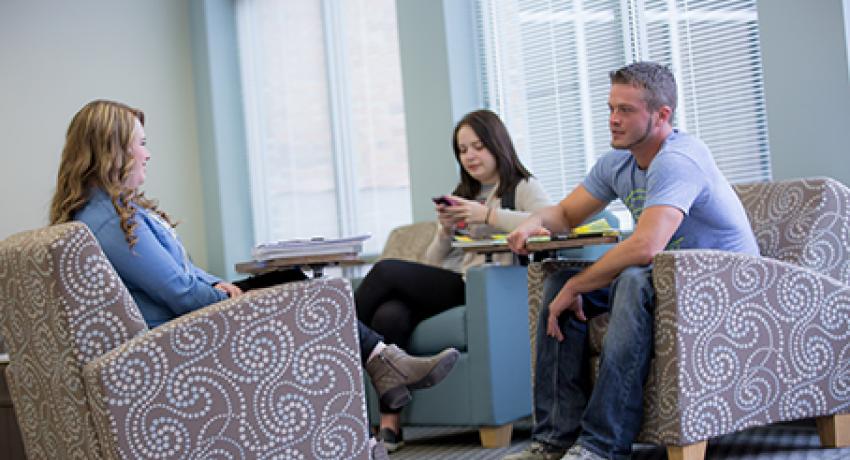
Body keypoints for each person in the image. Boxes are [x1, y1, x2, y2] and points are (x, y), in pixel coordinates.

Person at [48, 100, 460, 454]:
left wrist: (214, 285)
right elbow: (179, 292)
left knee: (294, 279)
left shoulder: (107, 212)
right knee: (304, 293)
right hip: (182, 338)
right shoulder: (111, 222)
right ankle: (386, 365)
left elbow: (184, 274)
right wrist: (223, 298)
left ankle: (385, 365)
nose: (147, 154)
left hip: (184, 323)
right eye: (140, 143)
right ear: (112, 151)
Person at [503, 62, 758, 460]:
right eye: (610, 108)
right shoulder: (617, 163)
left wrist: (579, 285)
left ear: (662, 116)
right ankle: (552, 441)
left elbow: (646, 246)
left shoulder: (679, 159)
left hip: (726, 285)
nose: (613, 120)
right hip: (666, 277)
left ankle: (601, 447)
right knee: (558, 280)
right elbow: (567, 215)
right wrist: (535, 221)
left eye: (625, 110)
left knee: (630, 279)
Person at [355, 109, 551, 451]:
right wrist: (445, 231)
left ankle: (330, 342)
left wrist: (487, 215)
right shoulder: (463, 192)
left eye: (478, 146)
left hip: (490, 291)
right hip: (459, 281)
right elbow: (434, 261)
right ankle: (390, 425)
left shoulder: (522, 187)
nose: (470, 156)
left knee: (386, 272)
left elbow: (548, 224)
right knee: (390, 313)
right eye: (463, 150)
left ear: (497, 145)